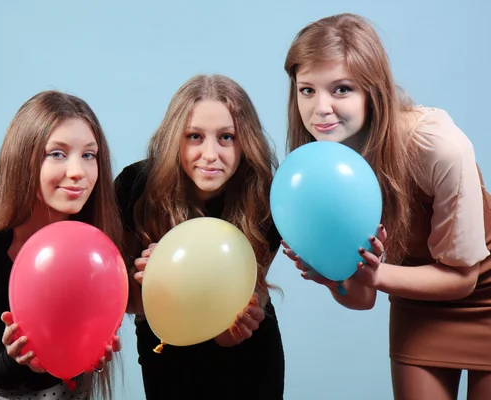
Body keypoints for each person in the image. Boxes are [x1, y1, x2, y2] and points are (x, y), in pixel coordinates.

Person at [282, 13, 491, 400]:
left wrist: (375, 276)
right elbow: (361, 299)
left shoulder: (437, 146)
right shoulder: (319, 166)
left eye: (341, 89)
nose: (320, 108)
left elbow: (464, 278)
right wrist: (337, 279)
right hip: (417, 298)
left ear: (372, 91)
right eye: (307, 90)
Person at [0, 90, 123, 400]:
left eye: (88, 154)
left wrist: (79, 357)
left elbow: (51, 375)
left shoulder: (92, 240)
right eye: (57, 153)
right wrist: (25, 358)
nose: (78, 172)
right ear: (22, 158)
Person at [115, 74, 285, 399]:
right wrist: (149, 284)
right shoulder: (135, 186)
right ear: (174, 139)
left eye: (226, 137)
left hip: (248, 355)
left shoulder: (265, 195)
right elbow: (127, 302)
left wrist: (236, 323)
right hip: (165, 348)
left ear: (245, 141)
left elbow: (255, 290)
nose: (210, 154)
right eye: (194, 136)